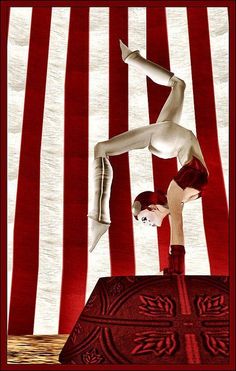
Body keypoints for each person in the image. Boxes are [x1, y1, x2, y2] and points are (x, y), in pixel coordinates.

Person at [88, 40, 209, 275]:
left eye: (143, 219)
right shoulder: (181, 195)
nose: (147, 224)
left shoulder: (177, 191)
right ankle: (132, 58)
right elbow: (177, 220)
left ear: (152, 207)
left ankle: (100, 217)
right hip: (171, 142)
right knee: (179, 84)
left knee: (102, 148)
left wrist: (176, 270)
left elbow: (178, 225)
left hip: (169, 141)